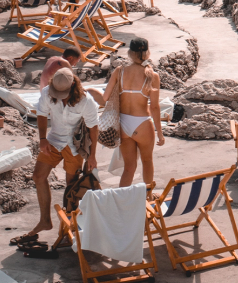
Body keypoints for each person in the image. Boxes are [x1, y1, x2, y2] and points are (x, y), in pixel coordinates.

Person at [19, 68, 99, 244]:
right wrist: (42, 139)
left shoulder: (86, 101)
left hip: (75, 145)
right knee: (38, 176)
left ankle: (70, 226)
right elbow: (41, 114)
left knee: (71, 186)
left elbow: (94, 128)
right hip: (54, 140)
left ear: (72, 86)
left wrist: (92, 156)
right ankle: (45, 221)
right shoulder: (48, 93)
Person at [102, 38, 164, 187]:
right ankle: (148, 198)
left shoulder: (120, 71)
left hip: (123, 124)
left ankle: (122, 201)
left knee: (129, 168)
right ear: (147, 52)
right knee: (147, 161)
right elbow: (154, 107)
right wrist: (160, 133)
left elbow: (105, 98)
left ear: (130, 53)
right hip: (142, 123)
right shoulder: (152, 75)